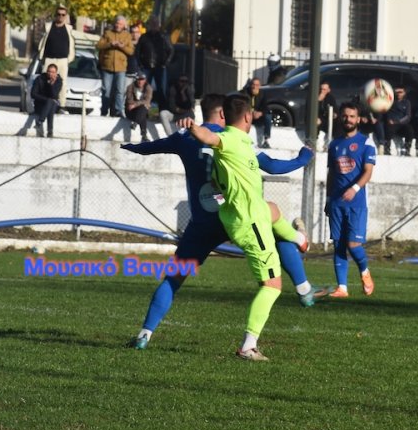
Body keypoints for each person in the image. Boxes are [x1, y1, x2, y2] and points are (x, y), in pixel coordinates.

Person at [123, 93, 323, 352]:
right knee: (275, 229)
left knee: (173, 279)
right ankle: (303, 287)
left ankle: (144, 334)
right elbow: (272, 166)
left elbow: (150, 148)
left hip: (203, 224)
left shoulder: (184, 138)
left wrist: (131, 147)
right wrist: (302, 159)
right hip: (234, 216)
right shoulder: (236, 140)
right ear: (222, 114)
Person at [186, 94, 287, 361]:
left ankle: (300, 239)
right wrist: (193, 127)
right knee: (272, 285)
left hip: (251, 217)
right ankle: (248, 346)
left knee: (273, 209)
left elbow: (221, 185)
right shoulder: (229, 139)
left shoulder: (241, 143)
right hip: (251, 223)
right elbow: (210, 138)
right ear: (247, 116)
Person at [326, 102, 376, 298]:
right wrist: (329, 198)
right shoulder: (334, 144)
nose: (348, 119)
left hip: (356, 203)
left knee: (353, 245)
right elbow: (331, 173)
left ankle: (364, 272)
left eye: (352, 116)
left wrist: (354, 189)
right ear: (340, 117)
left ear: (359, 119)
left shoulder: (366, 143)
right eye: (345, 116)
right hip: (337, 202)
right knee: (338, 244)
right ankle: (342, 288)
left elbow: (368, 172)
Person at [95, 15, 134, 117]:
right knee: (106, 91)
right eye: (117, 23)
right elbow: (99, 45)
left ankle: (118, 111)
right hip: (107, 66)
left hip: (121, 68)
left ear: (124, 25)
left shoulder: (127, 36)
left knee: (120, 91)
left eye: (120, 24)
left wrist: (122, 47)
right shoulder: (108, 33)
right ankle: (104, 111)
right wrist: (110, 44)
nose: (118, 25)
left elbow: (131, 51)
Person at [37, 5, 76, 105]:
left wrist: (69, 59)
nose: (61, 17)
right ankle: (43, 103)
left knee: (62, 83)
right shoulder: (48, 27)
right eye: (58, 14)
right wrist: (42, 56)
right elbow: (42, 42)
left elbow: (71, 45)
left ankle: (61, 105)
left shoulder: (69, 29)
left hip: (62, 60)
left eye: (63, 15)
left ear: (66, 16)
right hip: (49, 59)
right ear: (55, 15)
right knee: (45, 82)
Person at [136, 18, 174, 110]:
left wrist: (166, 63)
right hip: (146, 66)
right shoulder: (144, 37)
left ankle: (163, 109)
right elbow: (137, 52)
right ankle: (143, 108)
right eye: (152, 24)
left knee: (161, 89)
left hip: (160, 66)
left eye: (155, 24)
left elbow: (171, 50)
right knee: (144, 89)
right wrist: (140, 64)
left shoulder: (163, 37)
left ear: (159, 26)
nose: (153, 26)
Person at [30, 63, 63, 138]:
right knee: (51, 102)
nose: (50, 74)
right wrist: (46, 100)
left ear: (56, 73)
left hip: (52, 105)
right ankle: (50, 131)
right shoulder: (40, 79)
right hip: (40, 104)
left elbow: (54, 95)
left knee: (52, 103)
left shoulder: (58, 81)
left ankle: (40, 121)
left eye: (53, 72)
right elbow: (33, 94)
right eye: (49, 71)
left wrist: (51, 85)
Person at [382, 85, 414, 156]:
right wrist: (389, 120)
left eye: (400, 92)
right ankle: (387, 149)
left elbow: (408, 116)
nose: (398, 94)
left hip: (402, 123)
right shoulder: (390, 101)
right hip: (392, 123)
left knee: (410, 130)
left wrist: (398, 121)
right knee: (388, 129)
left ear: (404, 93)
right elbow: (386, 112)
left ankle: (407, 149)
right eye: (397, 92)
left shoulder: (407, 102)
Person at [242, 77, 271, 149]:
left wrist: (260, 113)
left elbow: (266, 107)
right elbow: (242, 105)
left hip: (258, 116)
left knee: (268, 116)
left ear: (259, 86)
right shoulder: (245, 93)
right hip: (248, 115)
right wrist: (251, 112)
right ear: (250, 85)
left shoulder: (263, 94)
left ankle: (266, 140)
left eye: (257, 85)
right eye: (253, 84)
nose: (255, 87)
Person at [125, 72, 152, 143]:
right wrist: (136, 104)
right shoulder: (130, 87)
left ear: (145, 80)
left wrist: (136, 104)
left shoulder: (148, 88)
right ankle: (144, 135)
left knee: (143, 108)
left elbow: (147, 101)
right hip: (131, 111)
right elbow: (130, 101)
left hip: (141, 111)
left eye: (142, 79)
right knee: (143, 112)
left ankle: (136, 123)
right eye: (138, 79)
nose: (140, 81)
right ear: (136, 80)